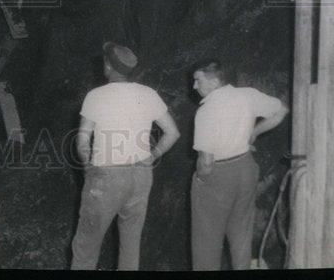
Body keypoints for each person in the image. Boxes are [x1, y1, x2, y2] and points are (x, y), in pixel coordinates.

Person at [70, 43, 179, 270]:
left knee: (86, 247)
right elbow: (173, 133)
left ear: (108, 66)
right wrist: (153, 155)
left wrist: (88, 167)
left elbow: (82, 142)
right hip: (140, 176)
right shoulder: (148, 94)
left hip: (106, 175)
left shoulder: (96, 96)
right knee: (130, 246)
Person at [190, 60, 288, 271]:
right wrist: (254, 132)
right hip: (245, 168)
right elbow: (281, 110)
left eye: (198, 80)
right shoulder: (248, 95)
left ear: (214, 81)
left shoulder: (206, 111)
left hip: (217, 175)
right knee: (241, 234)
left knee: (206, 240)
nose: (194, 86)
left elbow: (206, 160)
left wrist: (199, 178)